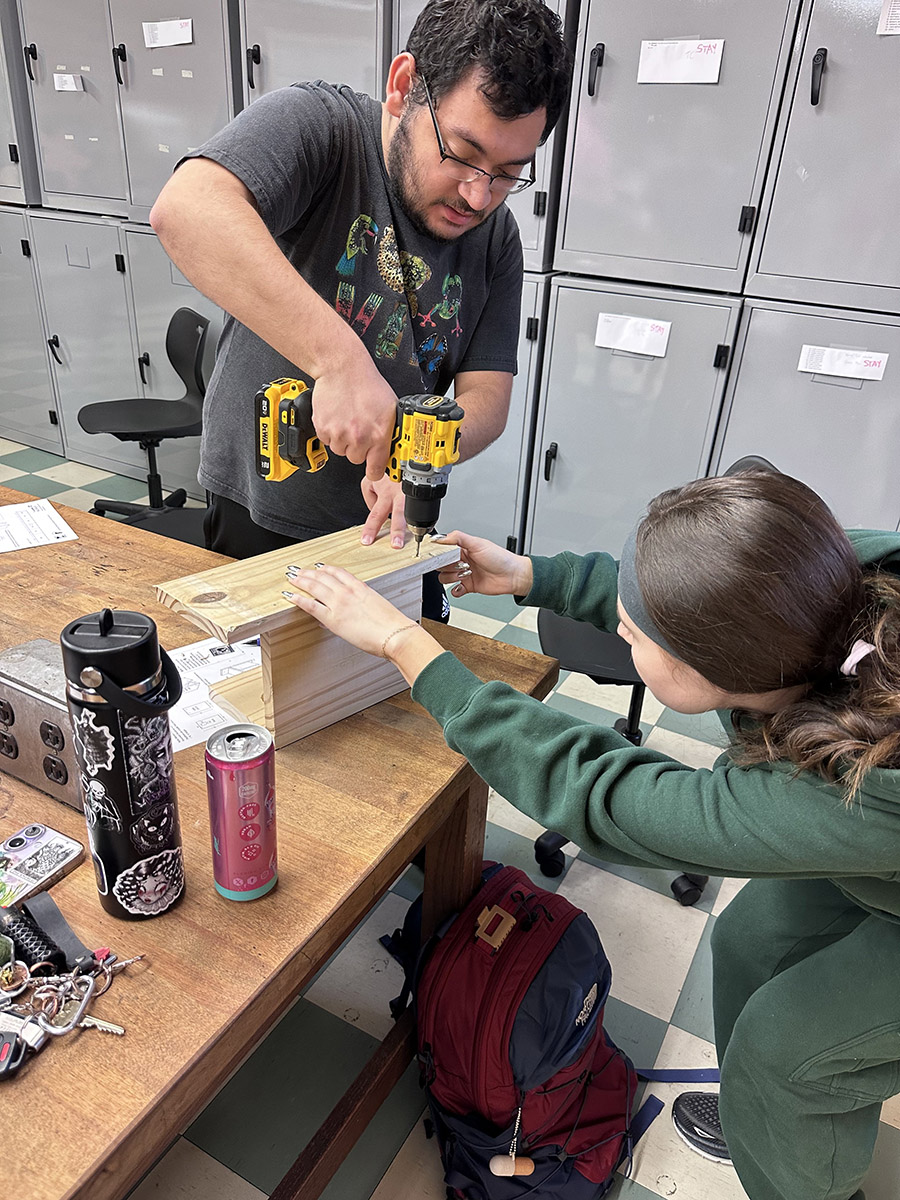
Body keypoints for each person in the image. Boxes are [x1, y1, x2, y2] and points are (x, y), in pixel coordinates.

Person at [280, 467, 900, 1200]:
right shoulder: (834, 580)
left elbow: (614, 798)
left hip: (876, 831)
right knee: (747, 941)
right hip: (878, 859)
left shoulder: (854, 790)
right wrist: (533, 575)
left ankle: (805, 1170)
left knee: (784, 1053)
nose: (622, 635)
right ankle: (759, 1119)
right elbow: (683, 593)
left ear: (709, 667)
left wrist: (405, 648)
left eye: (632, 636)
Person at [149, 0, 572, 619]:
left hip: (391, 530)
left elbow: (488, 399)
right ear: (404, 88)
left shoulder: (497, 238)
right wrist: (340, 362)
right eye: (459, 153)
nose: (478, 195)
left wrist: (418, 451)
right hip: (259, 511)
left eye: (509, 173)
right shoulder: (321, 127)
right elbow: (185, 210)